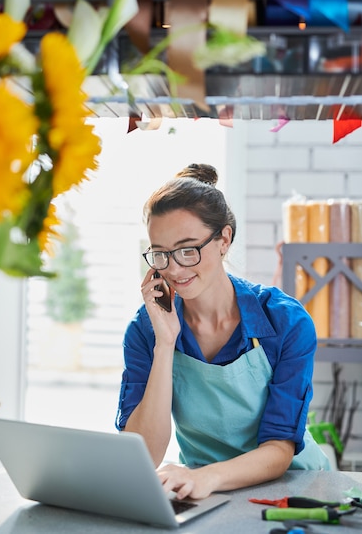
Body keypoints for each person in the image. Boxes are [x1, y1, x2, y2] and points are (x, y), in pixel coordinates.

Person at [115, 163, 330, 501]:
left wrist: (205, 477)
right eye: (161, 254)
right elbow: (144, 454)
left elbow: (279, 448)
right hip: (205, 491)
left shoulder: (285, 323)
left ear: (224, 240)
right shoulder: (147, 330)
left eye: (188, 249)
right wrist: (165, 342)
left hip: (294, 491)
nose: (173, 268)